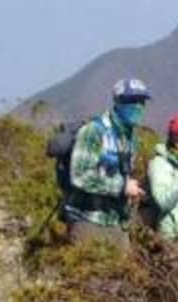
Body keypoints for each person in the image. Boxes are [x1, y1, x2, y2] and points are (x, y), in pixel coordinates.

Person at [62, 77, 151, 246]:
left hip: (117, 224)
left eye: (142, 101)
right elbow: (80, 176)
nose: (138, 106)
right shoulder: (94, 131)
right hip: (89, 223)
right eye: (132, 100)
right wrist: (121, 187)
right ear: (118, 101)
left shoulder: (131, 138)